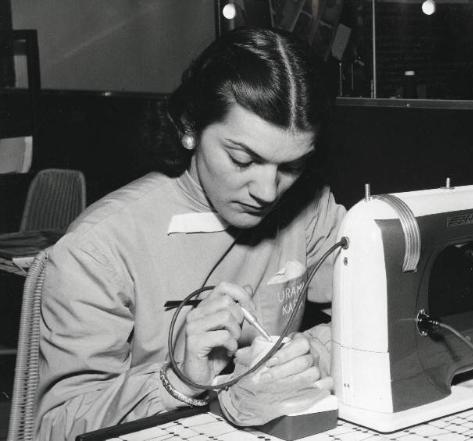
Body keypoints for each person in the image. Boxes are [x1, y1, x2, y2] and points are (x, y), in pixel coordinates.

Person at [35, 27, 346, 440]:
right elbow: (55, 428)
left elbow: (374, 317)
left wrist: (311, 355)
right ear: (190, 126)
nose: (268, 191)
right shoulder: (98, 249)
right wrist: (179, 382)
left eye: (289, 168)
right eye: (242, 159)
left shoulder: (310, 210)